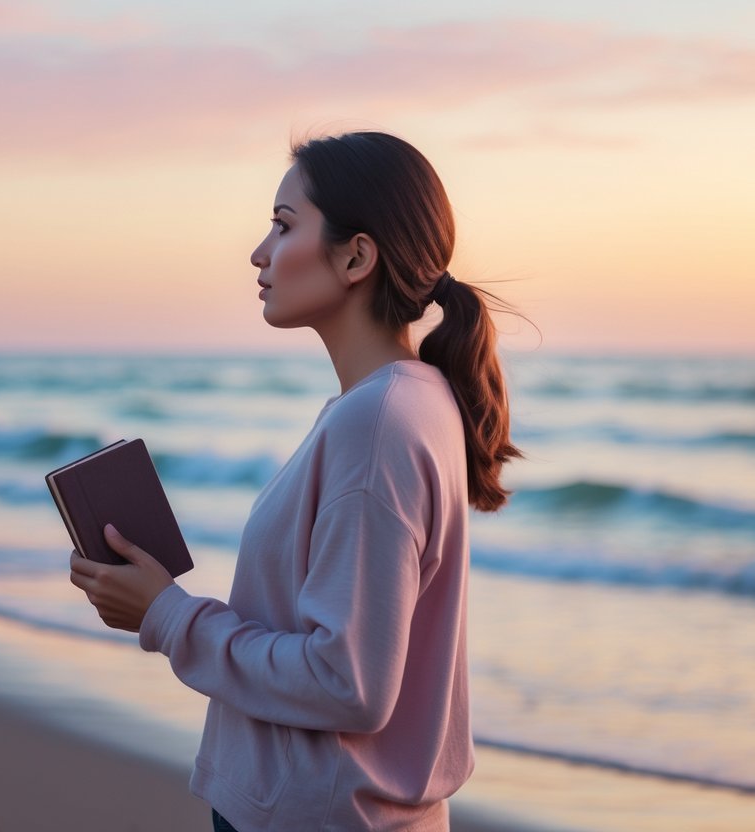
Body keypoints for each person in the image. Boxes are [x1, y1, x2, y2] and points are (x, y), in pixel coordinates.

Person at [68, 131, 520, 831]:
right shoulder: (403, 402)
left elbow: (348, 683)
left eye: (283, 226)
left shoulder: (377, 423)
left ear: (355, 256)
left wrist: (166, 616)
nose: (259, 252)